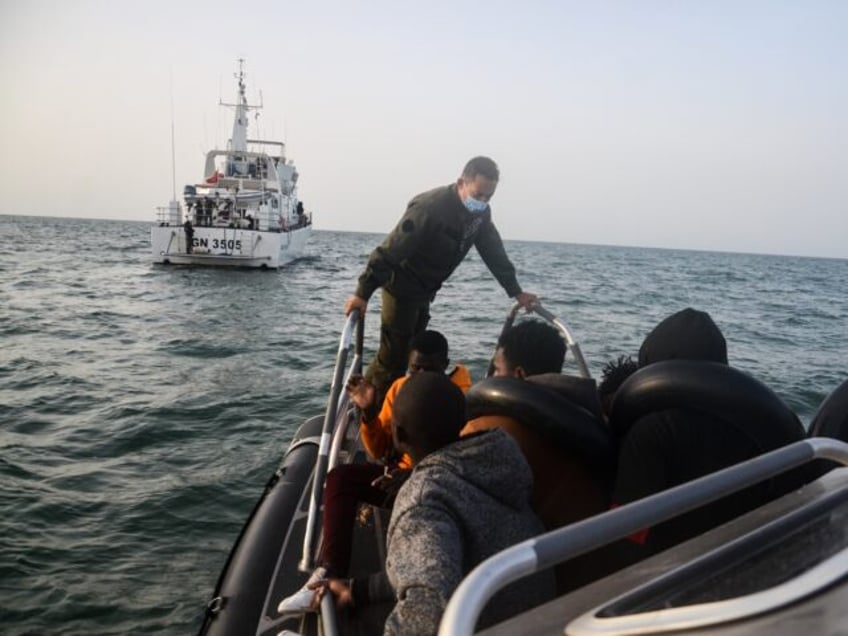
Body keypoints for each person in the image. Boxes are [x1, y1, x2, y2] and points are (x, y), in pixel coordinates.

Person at [314, 372, 555, 634]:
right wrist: (359, 590)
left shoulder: (423, 498)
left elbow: (429, 610)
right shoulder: (501, 462)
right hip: (542, 618)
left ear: (398, 435)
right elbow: (435, 561)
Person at [277, 330, 471, 615]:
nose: (420, 376)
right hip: (398, 477)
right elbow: (379, 449)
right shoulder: (400, 389)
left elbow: (462, 457)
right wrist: (368, 412)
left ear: (446, 365)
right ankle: (329, 572)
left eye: (429, 369)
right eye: (415, 368)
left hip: (440, 486)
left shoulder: (461, 398)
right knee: (340, 478)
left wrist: (417, 475)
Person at [344, 156, 538, 404]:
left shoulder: (480, 215)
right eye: (478, 195)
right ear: (461, 182)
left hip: (425, 292)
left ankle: (401, 408)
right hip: (400, 289)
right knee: (393, 357)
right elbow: (390, 251)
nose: (482, 202)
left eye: (488, 197)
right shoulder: (430, 208)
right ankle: (367, 409)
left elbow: (493, 251)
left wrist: (516, 292)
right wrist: (362, 293)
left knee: (414, 355)